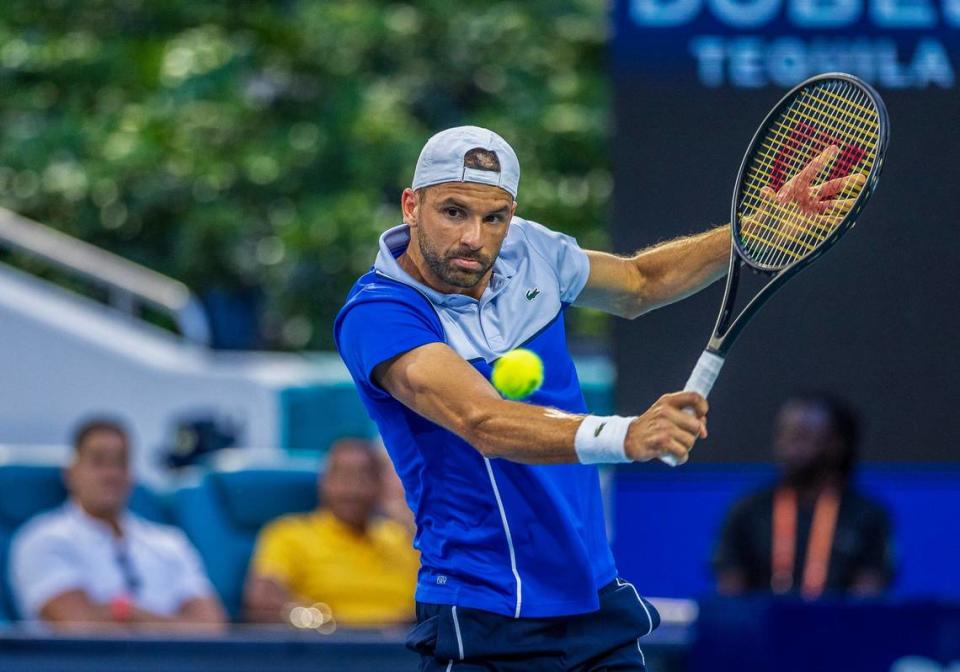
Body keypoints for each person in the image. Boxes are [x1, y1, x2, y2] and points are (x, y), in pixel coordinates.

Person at [333, 126, 842, 670]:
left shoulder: (532, 251)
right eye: (453, 212)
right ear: (413, 206)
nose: (474, 239)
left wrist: (755, 229)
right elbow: (483, 421)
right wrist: (627, 435)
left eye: (494, 217)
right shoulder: (379, 314)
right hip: (485, 612)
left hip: (594, 600)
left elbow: (640, 281)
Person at [10, 418, 226, 631]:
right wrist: (174, 625)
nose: (111, 474)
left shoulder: (170, 542)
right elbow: (81, 628)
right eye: (98, 462)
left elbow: (213, 627)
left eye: (120, 463)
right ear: (71, 473)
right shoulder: (42, 540)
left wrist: (125, 612)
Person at [713, 393, 894, 598]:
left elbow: (868, 600)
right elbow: (729, 598)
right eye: (784, 436)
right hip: (762, 627)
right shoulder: (748, 511)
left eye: (802, 436)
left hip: (839, 627)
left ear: (836, 444)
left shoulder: (867, 515)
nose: (789, 448)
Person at [244, 438, 419, 628]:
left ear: (380, 486)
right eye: (342, 477)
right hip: (324, 647)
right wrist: (320, 623)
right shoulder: (289, 533)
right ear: (323, 483)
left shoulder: (401, 537)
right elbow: (263, 602)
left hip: (404, 646)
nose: (353, 489)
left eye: (364, 478)